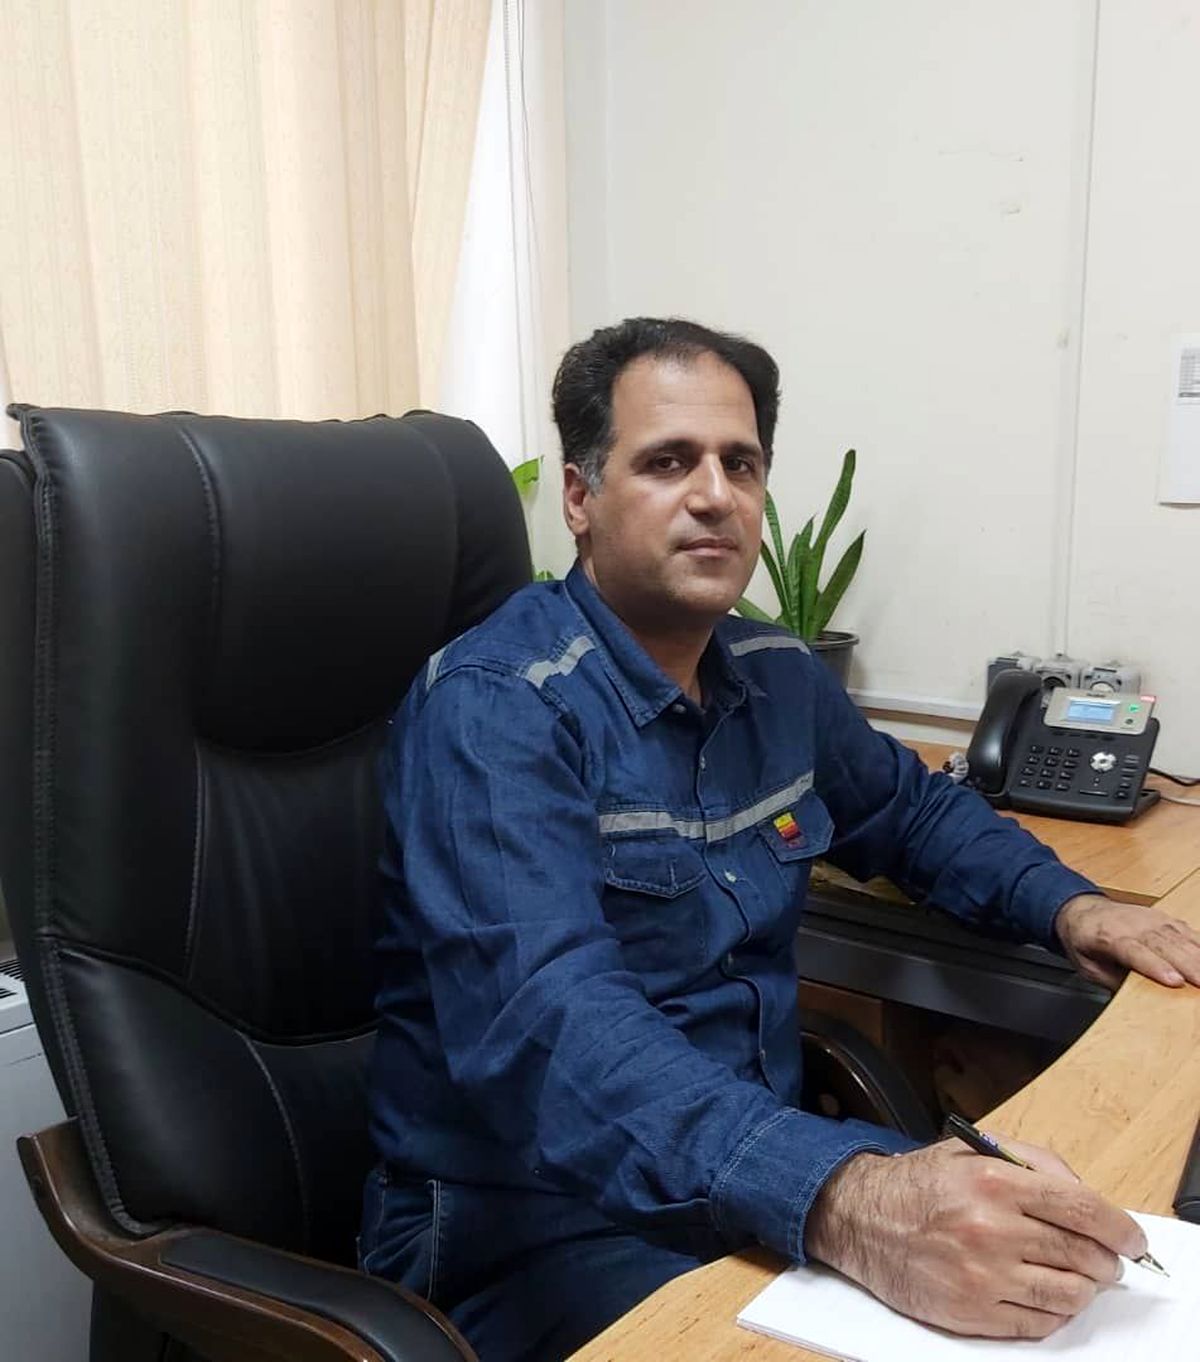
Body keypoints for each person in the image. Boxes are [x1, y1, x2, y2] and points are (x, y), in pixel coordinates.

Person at [360, 317, 1200, 1361]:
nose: (715, 494)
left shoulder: (775, 672)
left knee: (1055, 1280)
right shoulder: (497, 711)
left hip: (740, 1180)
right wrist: (848, 1197)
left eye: (741, 463)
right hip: (530, 1223)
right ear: (579, 498)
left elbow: (911, 812)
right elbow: (553, 1033)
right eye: (668, 461)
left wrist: (1073, 906)